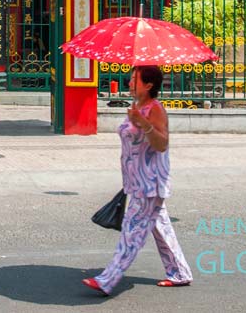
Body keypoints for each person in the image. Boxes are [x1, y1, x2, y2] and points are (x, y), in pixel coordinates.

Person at [83, 65, 193, 296]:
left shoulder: (155, 109)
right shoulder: (137, 107)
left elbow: (161, 144)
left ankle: (108, 279)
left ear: (149, 85)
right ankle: (180, 273)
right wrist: (134, 118)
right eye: (131, 78)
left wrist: (142, 123)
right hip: (136, 182)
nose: (130, 82)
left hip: (150, 184)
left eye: (135, 79)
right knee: (161, 228)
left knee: (131, 232)